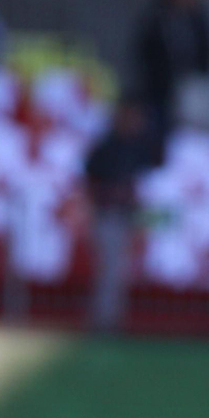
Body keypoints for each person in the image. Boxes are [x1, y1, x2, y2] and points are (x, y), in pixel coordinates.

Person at [84, 98, 160, 330]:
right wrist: (114, 194)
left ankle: (117, 318)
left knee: (124, 271)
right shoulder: (106, 147)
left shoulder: (144, 147)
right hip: (108, 215)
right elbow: (91, 181)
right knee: (109, 270)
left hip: (133, 216)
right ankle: (104, 321)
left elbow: (149, 182)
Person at [133, 0, 209, 144]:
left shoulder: (200, 20)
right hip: (159, 91)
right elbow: (144, 50)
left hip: (189, 90)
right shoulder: (157, 16)